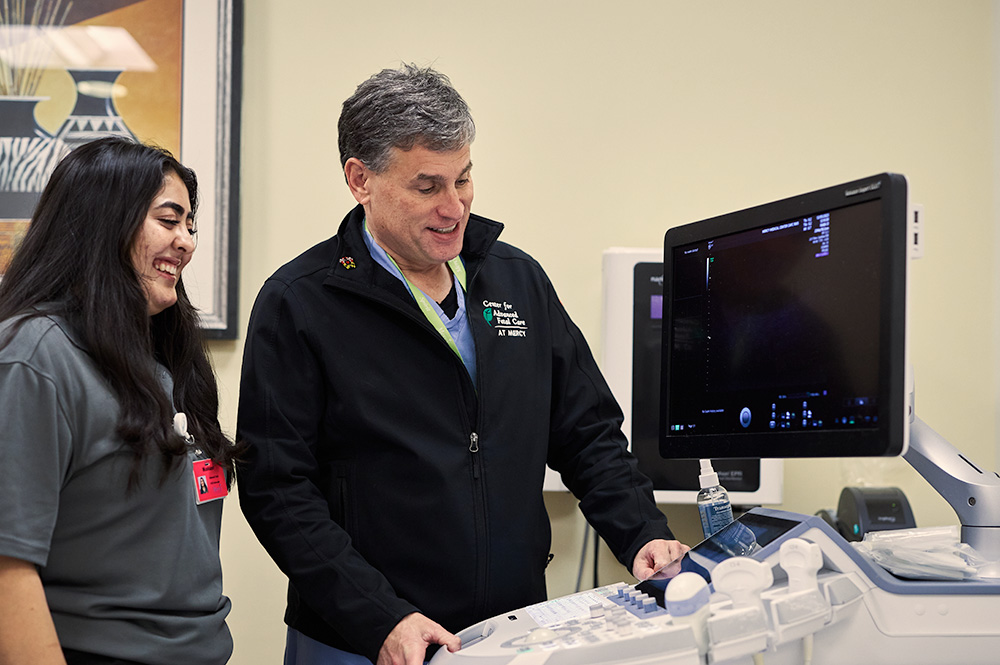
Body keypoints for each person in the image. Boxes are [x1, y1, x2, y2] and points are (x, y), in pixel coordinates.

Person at [237, 64, 690, 665]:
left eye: (464, 180)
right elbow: (277, 490)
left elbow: (588, 434)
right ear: (360, 180)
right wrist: (381, 618)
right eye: (427, 187)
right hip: (363, 641)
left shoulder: (517, 279)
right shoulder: (300, 302)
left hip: (513, 631)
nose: (455, 208)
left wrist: (642, 533)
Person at [0, 137, 239, 665]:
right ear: (103, 221)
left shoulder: (167, 360)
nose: (187, 243)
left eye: (190, 226)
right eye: (169, 220)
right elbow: (6, 569)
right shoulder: (35, 355)